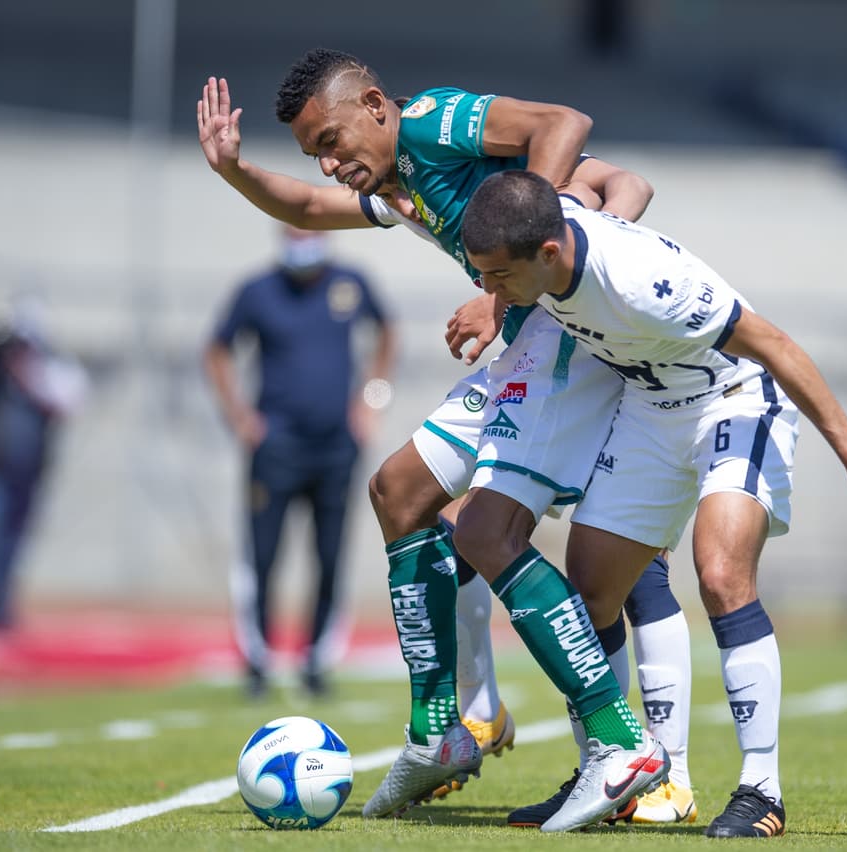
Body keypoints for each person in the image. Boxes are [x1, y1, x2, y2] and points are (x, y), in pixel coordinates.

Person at [197, 50, 688, 830]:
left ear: (374, 104)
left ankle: (620, 743)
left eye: (332, 140)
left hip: (565, 338)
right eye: (314, 154)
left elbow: (565, 127)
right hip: (530, 343)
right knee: (399, 492)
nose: (329, 164)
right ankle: (441, 732)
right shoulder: (397, 182)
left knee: (488, 532)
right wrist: (233, 171)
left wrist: (505, 285)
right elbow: (305, 210)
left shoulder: (432, 123)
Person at [460, 170, 847, 837]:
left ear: (548, 253)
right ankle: (609, 768)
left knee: (719, 573)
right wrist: (495, 300)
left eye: (496, 277)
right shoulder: (542, 242)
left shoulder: (641, 283)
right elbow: (605, 188)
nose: (489, 289)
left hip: (734, 397)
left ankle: (761, 792)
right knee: (591, 593)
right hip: (652, 411)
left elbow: (772, 343)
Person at [204, 224, 396, 698]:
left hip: (336, 446)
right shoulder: (257, 291)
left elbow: (387, 332)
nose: (303, 241)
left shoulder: (351, 283)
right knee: (263, 556)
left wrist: (370, 402)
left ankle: (317, 660)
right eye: (293, 231)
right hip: (276, 447)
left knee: (329, 555)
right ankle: (257, 661)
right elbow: (217, 350)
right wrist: (241, 417)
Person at [0, 300, 87, 630]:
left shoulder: (46, 371)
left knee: (12, 543)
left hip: (29, 471)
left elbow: (69, 399)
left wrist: (28, 371)